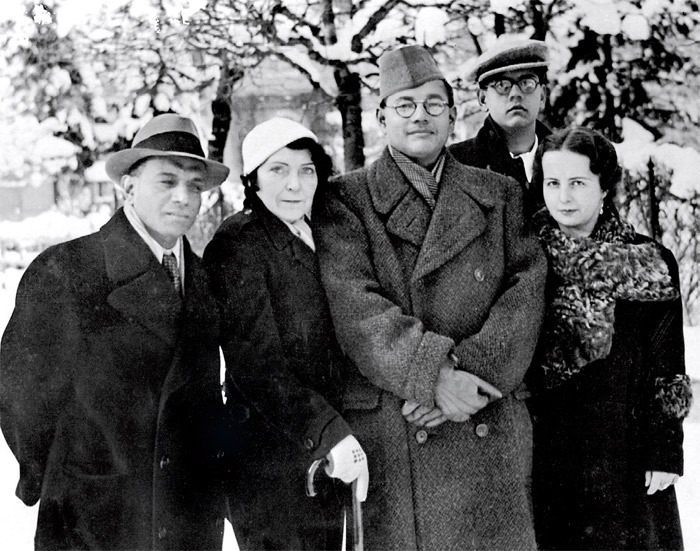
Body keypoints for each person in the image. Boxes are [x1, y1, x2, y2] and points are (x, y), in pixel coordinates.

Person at [315, 45, 547, 550]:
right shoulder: (344, 200)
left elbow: (526, 294)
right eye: (404, 104)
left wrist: (465, 377)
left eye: (433, 103)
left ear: (453, 113)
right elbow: (358, 309)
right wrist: (433, 377)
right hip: (400, 432)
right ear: (381, 116)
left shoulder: (500, 193)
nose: (420, 115)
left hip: (488, 415)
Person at [0, 113, 233, 550]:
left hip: (186, 521)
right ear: (128, 186)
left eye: (195, 186)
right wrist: (71, 476)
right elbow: (21, 398)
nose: (184, 197)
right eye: (167, 181)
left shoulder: (203, 280)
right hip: (93, 519)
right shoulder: (66, 271)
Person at [203, 117, 369, 550]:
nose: (294, 184)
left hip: (320, 456)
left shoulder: (317, 232)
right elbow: (257, 365)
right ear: (253, 179)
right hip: (269, 462)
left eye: (306, 170)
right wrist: (329, 431)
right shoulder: (239, 243)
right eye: (278, 170)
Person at [530, 126, 693, 550]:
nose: (563, 197)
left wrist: (664, 449)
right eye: (553, 183)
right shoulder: (525, 255)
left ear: (604, 188)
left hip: (624, 452)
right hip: (546, 453)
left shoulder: (649, 261)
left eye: (578, 183)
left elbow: (668, 366)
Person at [450, 36, 551, 215]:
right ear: (482, 99)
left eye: (526, 83)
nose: (515, 94)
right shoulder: (456, 164)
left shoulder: (569, 158)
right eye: (502, 85)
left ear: (542, 96)